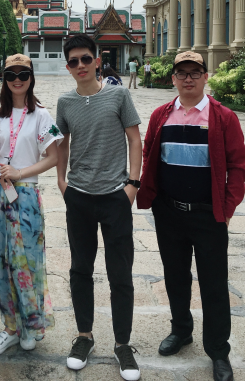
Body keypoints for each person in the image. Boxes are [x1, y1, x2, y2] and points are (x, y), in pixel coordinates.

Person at [137, 51, 245, 381]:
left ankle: (217, 350)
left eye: (194, 72)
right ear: (173, 78)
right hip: (169, 212)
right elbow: (149, 154)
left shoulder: (223, 117)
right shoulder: (161, 115)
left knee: (214, 285)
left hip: (208, 215)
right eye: (182, 73)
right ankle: (181, 329)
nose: (188, 78)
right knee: (175, 277)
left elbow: (237, 166)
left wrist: (226, 209)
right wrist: (153, 197)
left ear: (205, 77)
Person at [56, 34, 143, 381]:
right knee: (80, 268)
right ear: (68, 67)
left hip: (114, 196)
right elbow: (59, 143)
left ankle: (122, 344)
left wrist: (132, 185)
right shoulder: (64, 102)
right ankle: (84, 336)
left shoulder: (119, 95)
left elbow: (135, 139)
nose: (80, 66)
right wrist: (61, 182)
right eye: (73, 61)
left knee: (120, 271)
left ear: (97, 60)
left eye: (85, 59)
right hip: (78, 195)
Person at [0, 53, 63, 356]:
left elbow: (53, 157)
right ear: (4, 79)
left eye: (23, 75)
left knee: (27, 261)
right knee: (1, 261)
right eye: (11, 75)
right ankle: (10, 326)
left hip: (24, 195)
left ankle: (30, 324)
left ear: (31, 78)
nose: (17, 80)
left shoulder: (42, 116)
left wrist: (21, 172)